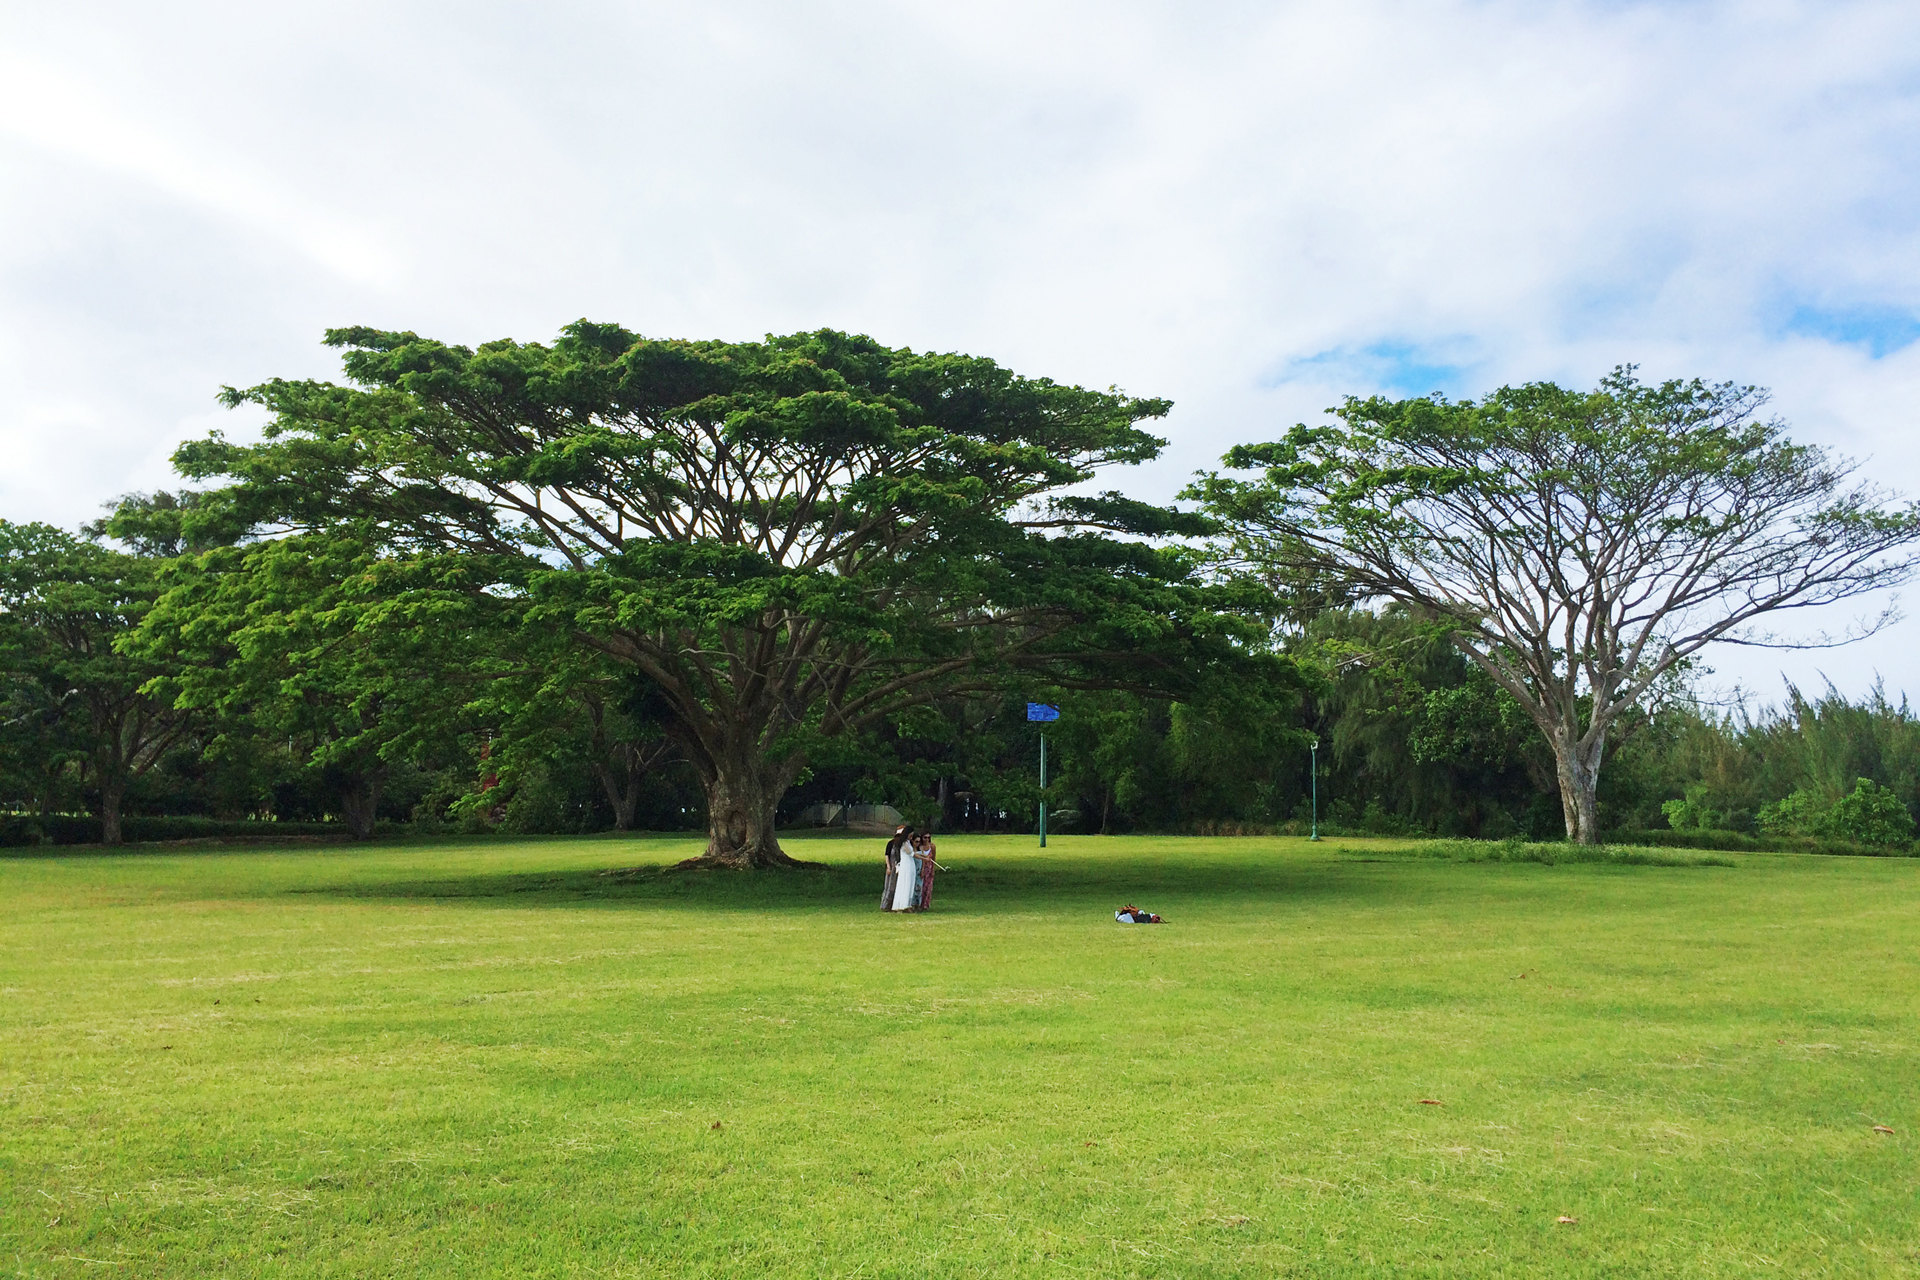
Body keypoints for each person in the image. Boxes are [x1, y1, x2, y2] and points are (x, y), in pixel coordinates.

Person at [888, 827, 922, 912]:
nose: (912, 836)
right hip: (906, 865)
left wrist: (924, 856)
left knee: (910, 884)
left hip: (910, 864)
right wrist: (924, 858)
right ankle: (902, 905)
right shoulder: (904, 843)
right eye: (911, 834)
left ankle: (908, 904)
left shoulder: (907, 842)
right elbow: (912, 854)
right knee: (905, 884)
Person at [881, 825, 908, 911]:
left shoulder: (904, 845)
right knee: (889, 886)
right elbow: (887, 856)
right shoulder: (890, 843)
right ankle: (886, 905)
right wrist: (888, 867)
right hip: (892, 867)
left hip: (900, 868)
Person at [910, 831, 939, 911]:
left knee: (928, 887)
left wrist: (933, 869)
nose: (927, 839)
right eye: (925, 837)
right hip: (920, 868)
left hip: (929, 868)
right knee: (920, 887)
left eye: (928, 838)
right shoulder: (920, 846)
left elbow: (934, 858)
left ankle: (925, 904)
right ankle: (917, 903)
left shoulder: (932, 846)